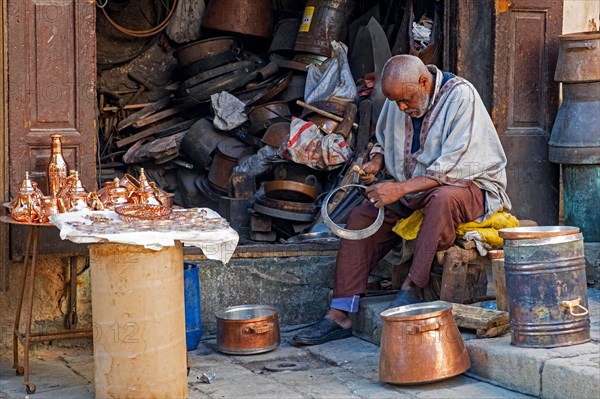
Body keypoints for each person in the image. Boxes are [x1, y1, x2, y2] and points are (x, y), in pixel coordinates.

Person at [292, 54, 511, 346]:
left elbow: (456, 166)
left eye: (405, 100)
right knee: (363, 215)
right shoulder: (401, 99)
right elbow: (383, 140)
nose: (401, 108)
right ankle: (340, 313)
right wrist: (376, 162)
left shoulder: (461, 95)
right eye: (396, 102)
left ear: (423, 81)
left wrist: (400, 189)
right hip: (414, 189)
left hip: (468, 187)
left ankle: (411, 287)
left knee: (442, 199)